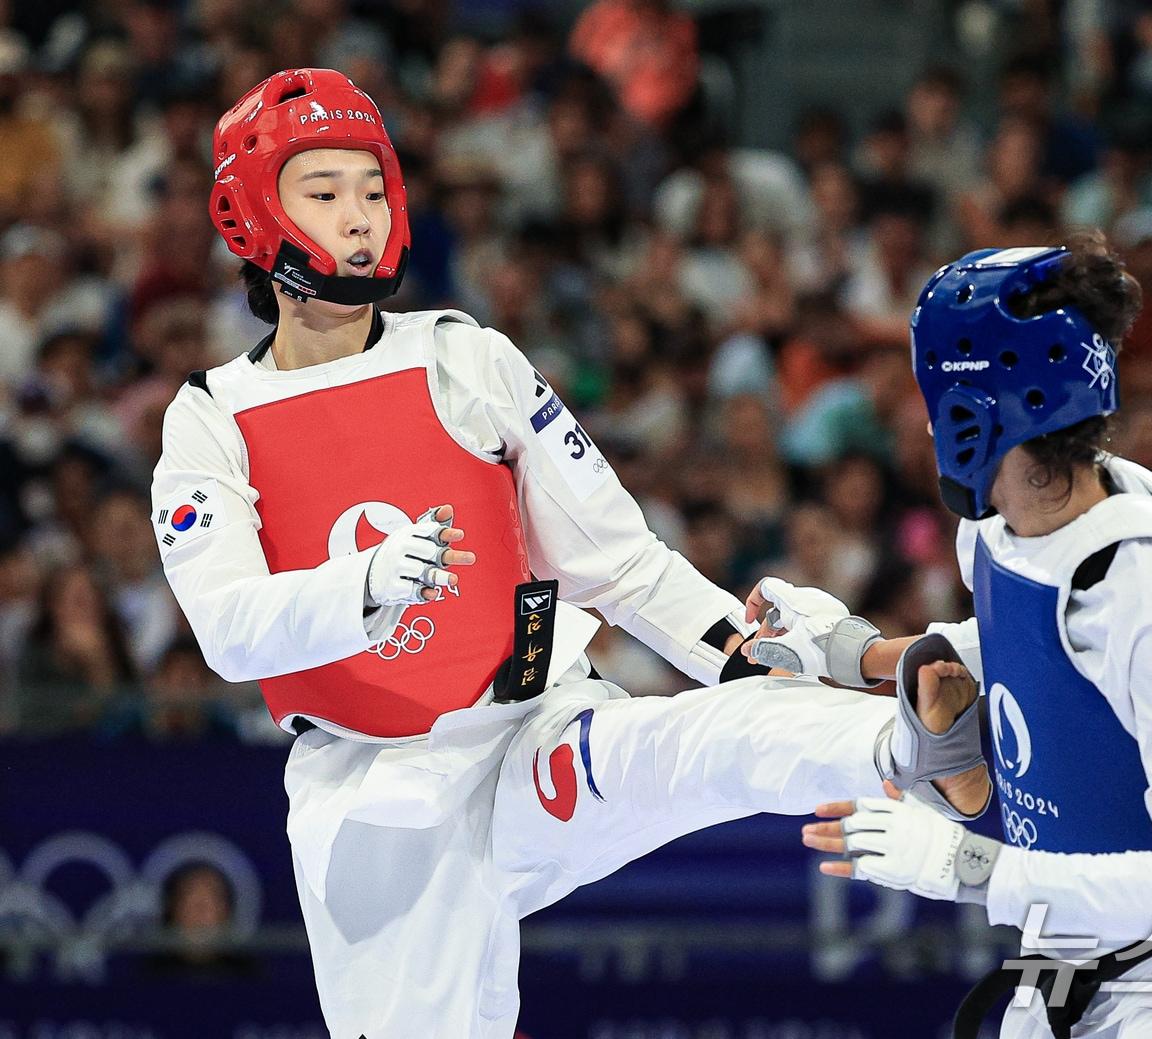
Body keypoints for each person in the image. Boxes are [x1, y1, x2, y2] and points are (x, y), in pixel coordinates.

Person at [152, 69, 980, 1038]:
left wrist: (739, 651)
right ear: (252, 213)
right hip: (373, 796)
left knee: (715, 738)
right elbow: (228, 634)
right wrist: (360, 586)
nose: (359, 217)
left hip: (532, 733)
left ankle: (929, 741)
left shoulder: (465, 359)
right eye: (324, 193)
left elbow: (619, 564)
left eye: (372, 189)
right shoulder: (211, 419)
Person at [746, 236, 1152, 1037]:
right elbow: (1031, 646)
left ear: (979, 409)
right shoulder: (1001, 528)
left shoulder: (1149, 589)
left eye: (932, 397)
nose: (921, 419)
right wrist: (853, 653)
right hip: (1066, 938)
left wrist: (963, 866)